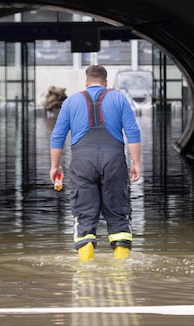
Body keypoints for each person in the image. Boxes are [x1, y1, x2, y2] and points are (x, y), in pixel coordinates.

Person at [49, 65, 142, 261]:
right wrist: (136, 163)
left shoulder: (71, 102)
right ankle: (121, 269)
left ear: (86, 82)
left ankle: (85, 269)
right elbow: (133, 133)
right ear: (106, 83)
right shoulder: (118, 99)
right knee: (117, 214)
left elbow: (57, 136)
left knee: (85, 215)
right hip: (114, 160)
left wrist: (54, 166)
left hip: (83, 162)